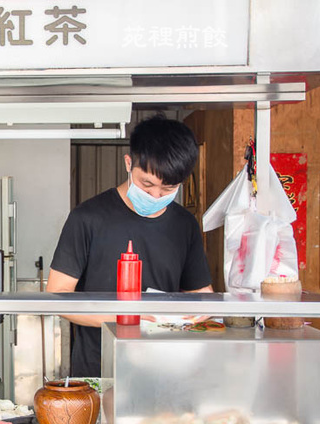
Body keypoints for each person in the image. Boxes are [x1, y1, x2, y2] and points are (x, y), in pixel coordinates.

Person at [47, 116, 213, 377]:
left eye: (168, 188)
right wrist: (125, 318)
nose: (155, 196)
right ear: (128, 163)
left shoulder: (185, 224)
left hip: (162, 368)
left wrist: (192, 315)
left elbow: (201, 295)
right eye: (147, 184)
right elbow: (57, 296)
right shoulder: (88, 217)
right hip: (99, 369)